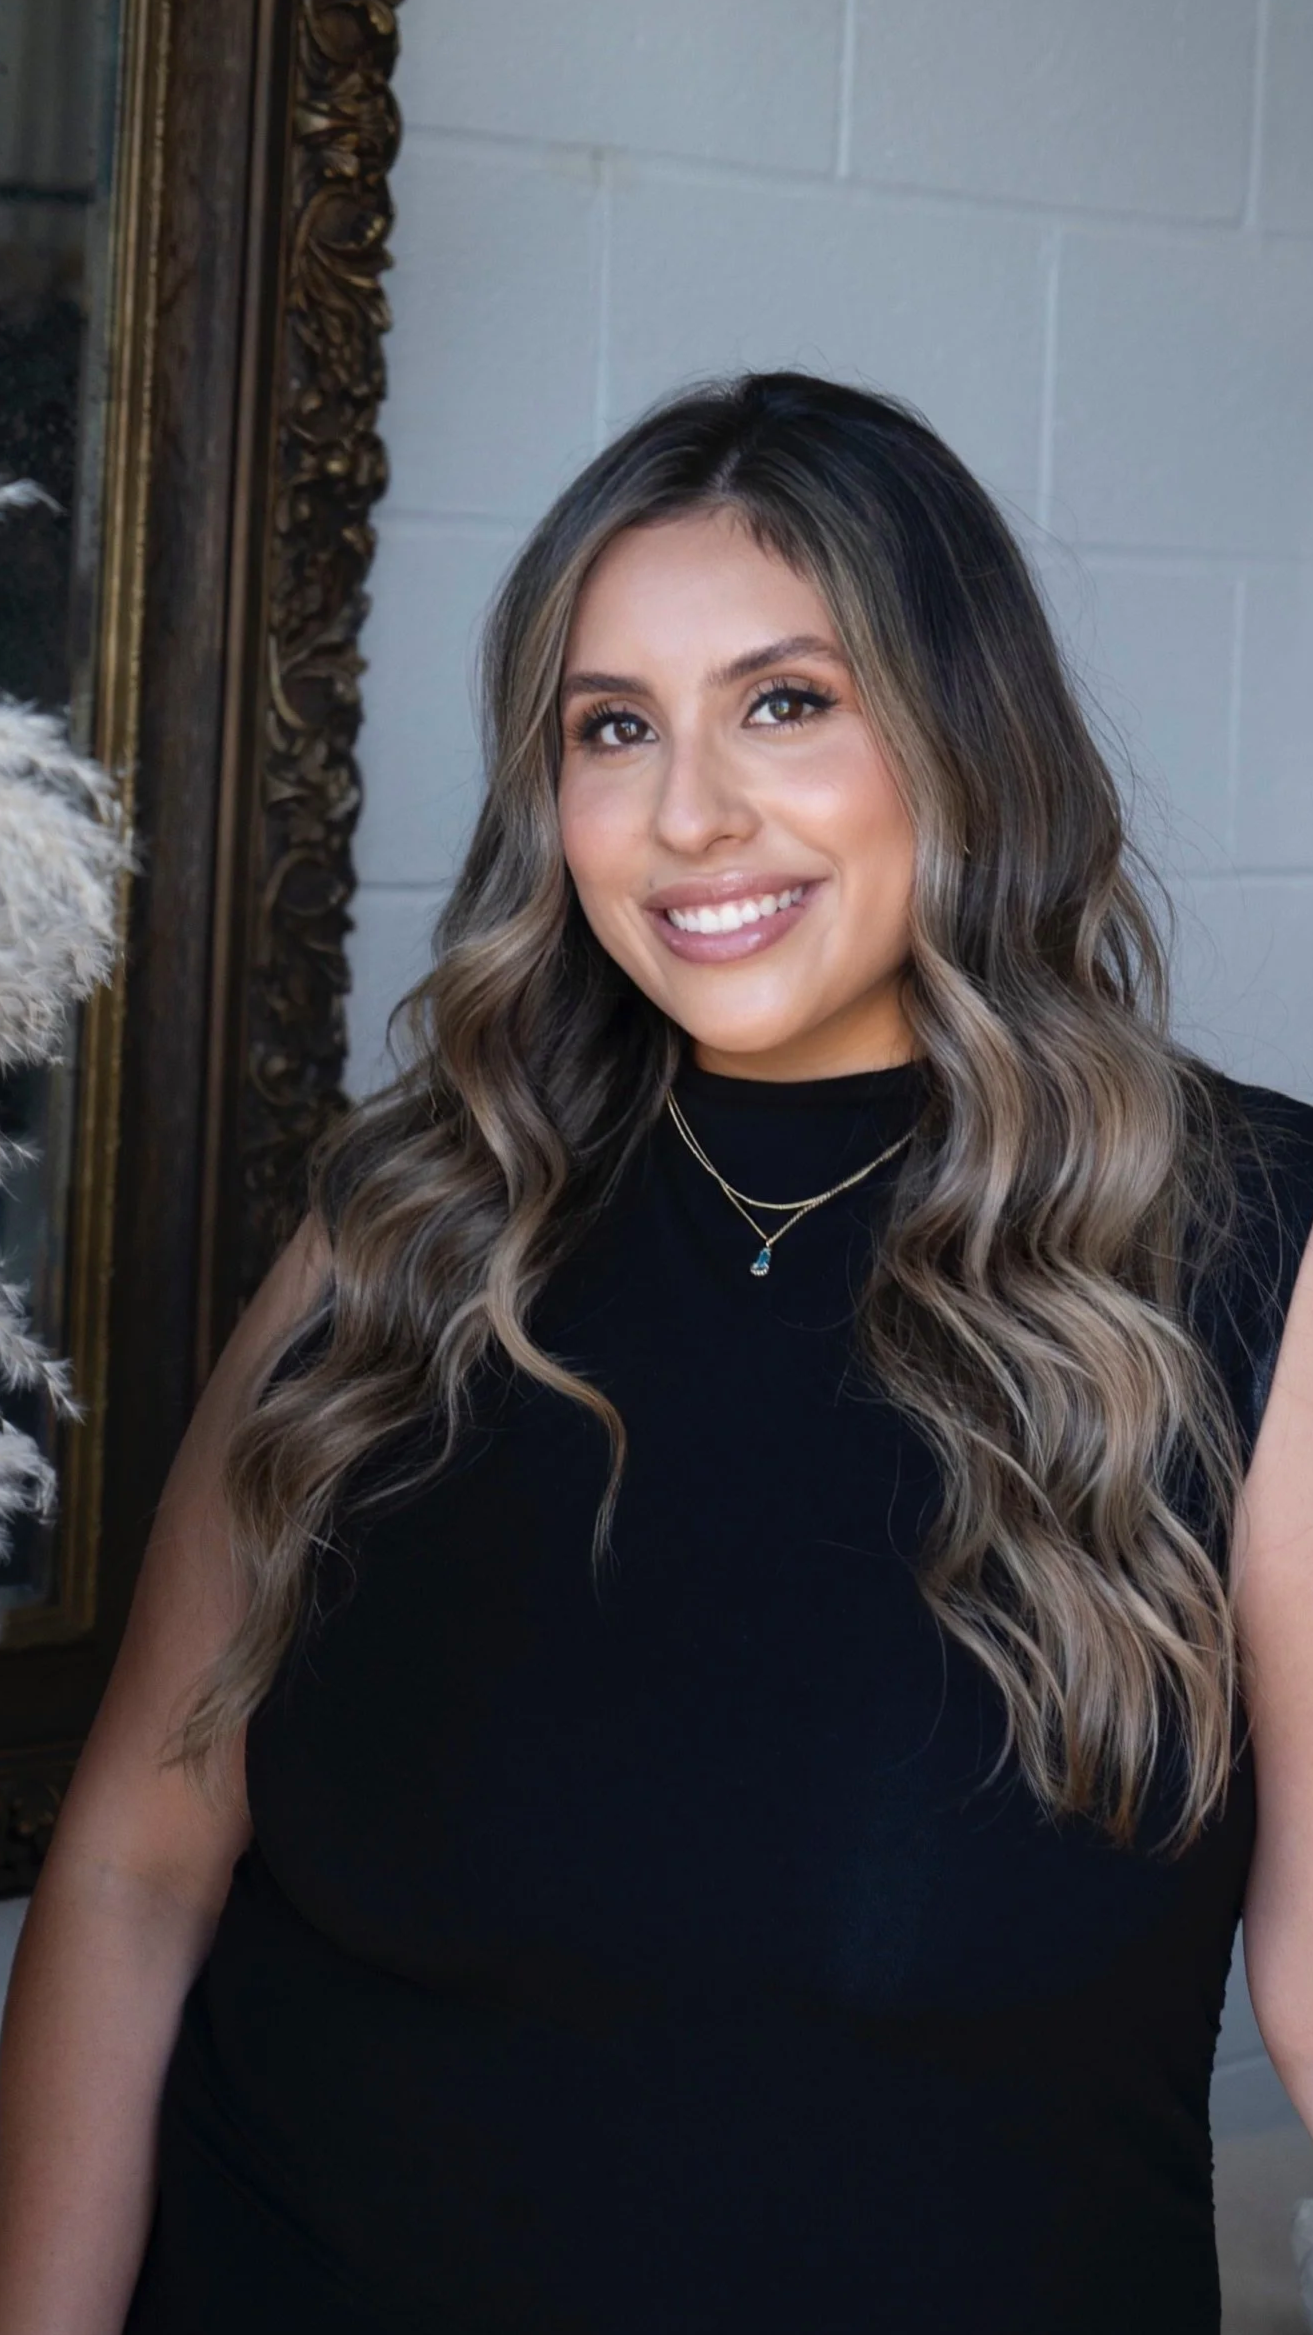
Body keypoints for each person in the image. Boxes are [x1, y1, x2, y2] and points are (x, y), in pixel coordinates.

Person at [1, 370, 1312, 2335]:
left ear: (962, 732)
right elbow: (135, 1867)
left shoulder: (1249, 1247)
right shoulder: (411, 1220)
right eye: (611, 727)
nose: (689, 814)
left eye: (785, 702)